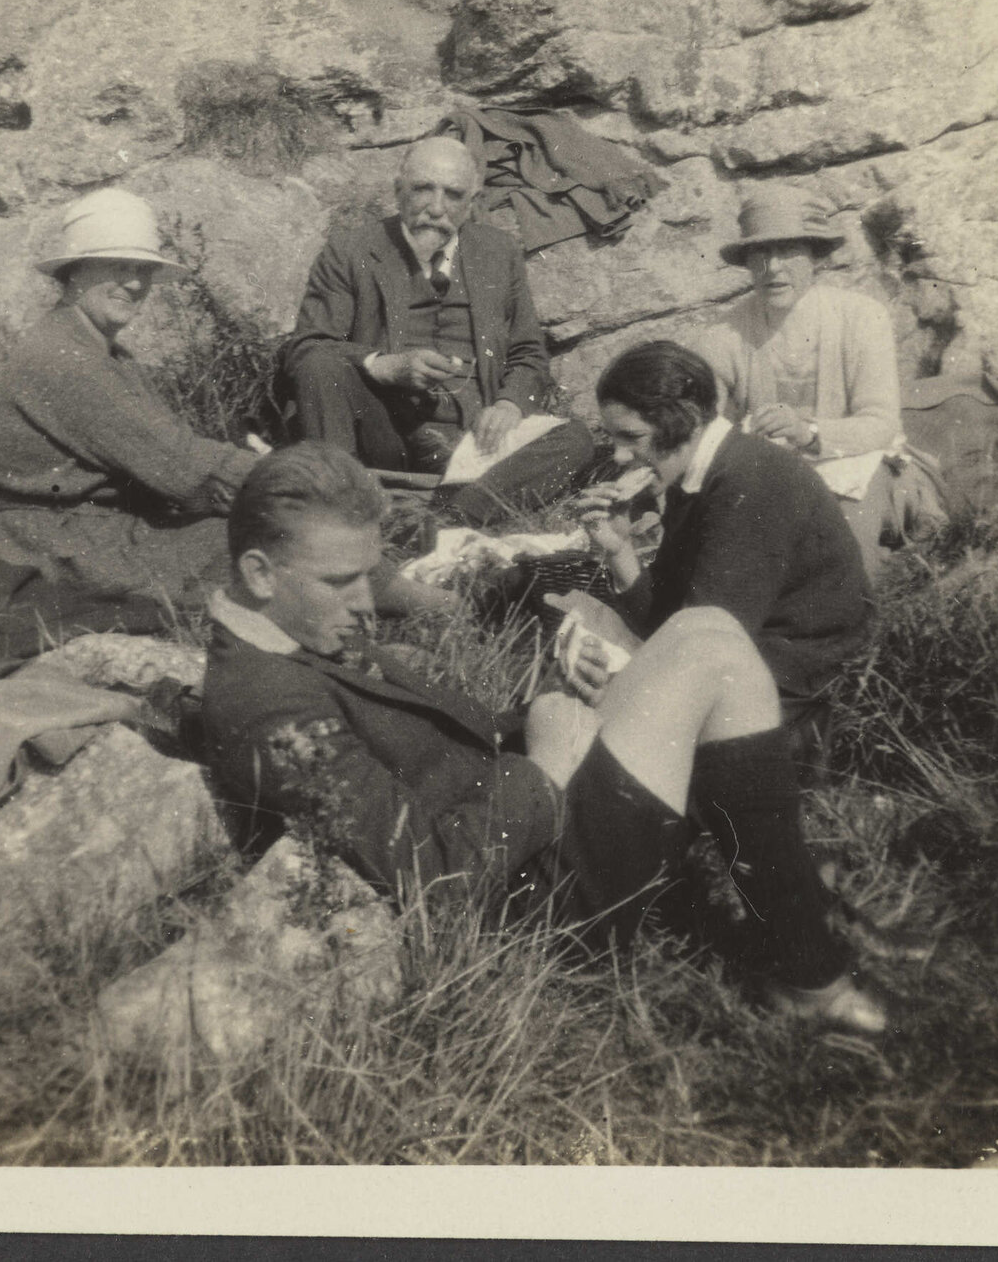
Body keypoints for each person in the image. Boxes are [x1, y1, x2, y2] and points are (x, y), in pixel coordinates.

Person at [202, 443, 887, 1035]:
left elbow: (439, 758)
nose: (365, 602)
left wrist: (543, 709)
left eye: (369, 577)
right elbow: (432, 880)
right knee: (709, 650)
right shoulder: (267, 711)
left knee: (704, 631)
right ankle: (805, 958)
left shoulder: (290, 633)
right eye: (339, 582)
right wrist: (545, 768)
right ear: (260, 573)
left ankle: (790, 914)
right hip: (530, 913)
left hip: (533, 839)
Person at [284, 135, 594, 524]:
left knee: (577, 441)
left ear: (472, 203)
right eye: (422, 189)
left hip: (473, 442)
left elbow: (528, 352)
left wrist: (508, 404)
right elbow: (305, 349)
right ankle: (342, 512)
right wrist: (383, 366)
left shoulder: (498, 253)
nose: (435, 207)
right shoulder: (351, 251)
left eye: (452, 194)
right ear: (398, 191)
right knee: (320, 369)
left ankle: (446, 520)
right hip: (388, 432)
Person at [0, 188, 261, 608]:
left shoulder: (99, 350)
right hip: (56, 539)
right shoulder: (65, 359)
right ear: (73, 273)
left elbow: (166, 453)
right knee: (265, 536)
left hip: (85, 524)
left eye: (143, 269)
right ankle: (389, 592)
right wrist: (300, 474)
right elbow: (178, 463)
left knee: (260, 528)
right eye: (117, 267)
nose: (134, 283)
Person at [578, 339, 872, 730]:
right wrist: (619, 551)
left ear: (684, 420)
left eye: (632, 437)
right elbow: (675, 623)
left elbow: (702, 649)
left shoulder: (750, 480)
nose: (618, 457)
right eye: (614, 438)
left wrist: (621, 687)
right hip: (758, 665)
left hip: (804, 690)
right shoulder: (701, 475)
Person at [694, 184, 943, 576]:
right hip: (769, 477)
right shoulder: (724, 336)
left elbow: (881, 424)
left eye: (788, 250)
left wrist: (808, 433)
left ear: (815, 257)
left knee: (843, 551)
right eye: (759, 253)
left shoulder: (861, 317)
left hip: (857, 466)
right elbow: (700, 429)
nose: (772, 268)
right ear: (746, 262)